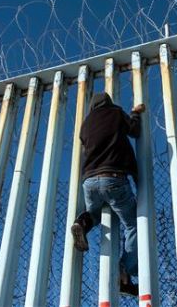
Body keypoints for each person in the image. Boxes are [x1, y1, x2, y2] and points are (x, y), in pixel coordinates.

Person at [71, 91, 145, 296]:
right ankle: (125, 269)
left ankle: (82, 224)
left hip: (89, 181)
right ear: (109, 103)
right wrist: (136, 114)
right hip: (113, 178)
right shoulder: (115, 113)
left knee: (93, 213)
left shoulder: (85, 125)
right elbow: (135, 130)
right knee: (133, 224)